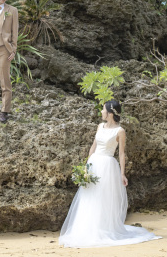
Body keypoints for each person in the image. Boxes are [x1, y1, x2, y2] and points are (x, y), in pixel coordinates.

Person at [59, 100, 160, 248]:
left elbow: (121, 154)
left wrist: (122, 174)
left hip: (107, 166)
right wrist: (86, 168)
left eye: (103, 109)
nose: (101, 112)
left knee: (102, 197)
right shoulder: (100, 126)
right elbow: (93, 148)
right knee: (89, 196)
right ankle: (87, 228)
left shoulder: (120, 131)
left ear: (110, 113)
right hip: (94, 164)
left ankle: (102, 228)